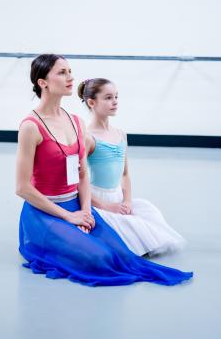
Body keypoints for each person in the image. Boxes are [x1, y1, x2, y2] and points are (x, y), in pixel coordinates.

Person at [16, 54, 193, 286]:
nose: (70, 77)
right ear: (43, 82)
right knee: (100, 258)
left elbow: (82, 174)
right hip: (45, 212)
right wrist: (69, 216)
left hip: (78, 205)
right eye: (62, 72)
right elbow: (22, 188)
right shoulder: (31, 126)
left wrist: (85, 212)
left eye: (70, 71)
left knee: (121, 255)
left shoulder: (77, 122)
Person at [78, 77, 186, 256]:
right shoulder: (87, 137)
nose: (115, 102)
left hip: (118, 197)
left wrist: (127, 200)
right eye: (108, 97)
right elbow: (79, 179)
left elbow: (125, 174)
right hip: (98, 200)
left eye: (116, 97)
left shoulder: (120, 134)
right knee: (126, 234)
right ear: (91, 102)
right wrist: (106, 206)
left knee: (150, 215)